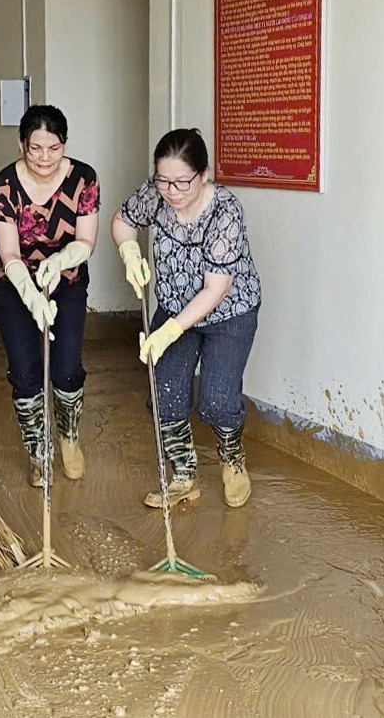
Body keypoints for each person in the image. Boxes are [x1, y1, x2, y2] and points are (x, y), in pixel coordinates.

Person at [112, 128, 261, 509]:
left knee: (217, 398)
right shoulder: (155, 194)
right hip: (174, 305)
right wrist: (129, 250)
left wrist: (169, 332)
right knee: (165, 393)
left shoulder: (225, 211)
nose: (172, 191)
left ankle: (232, 460)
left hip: (228, 312)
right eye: (163, 181)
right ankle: (182, 476)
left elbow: (216, 289)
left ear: (204, 174)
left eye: (182, 182)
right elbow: (123, 220)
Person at [0, 104, 99, 487]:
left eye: (53, 148)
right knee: (25, 372)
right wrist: (28, 290)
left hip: (66, 283)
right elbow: (7, 253)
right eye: (35, 148)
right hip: (15, 288)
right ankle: (39, 453)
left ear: (63, 145)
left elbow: (86, 239)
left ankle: (69, 438)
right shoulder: (4, 186)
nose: (44, 157)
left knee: (67, 367)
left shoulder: (83, 178)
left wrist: (63, 259)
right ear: (22, 144)